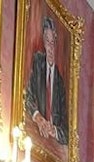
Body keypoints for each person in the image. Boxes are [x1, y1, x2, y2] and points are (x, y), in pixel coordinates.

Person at [24, 15, 68, 146]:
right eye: (47, 42)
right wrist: (38, 117)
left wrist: (54, 130)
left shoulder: (60, 83)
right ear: (43, 42)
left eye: (52, 42)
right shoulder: (37, 63)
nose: (50, 47)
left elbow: (68, 132)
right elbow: (26, 96)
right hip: (34, 136)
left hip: (52, 143)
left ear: (56, 43)